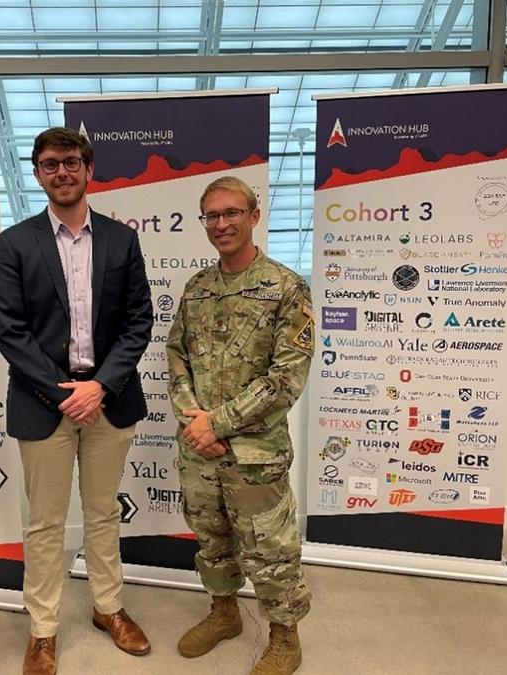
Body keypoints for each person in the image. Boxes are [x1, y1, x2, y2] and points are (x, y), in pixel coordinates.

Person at [0, 127, 154, 675]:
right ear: (37, 173)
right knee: (45, 522)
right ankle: (42, 630)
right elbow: (9, 331)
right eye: (49, 164)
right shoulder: (15, 242)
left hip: (108, 398)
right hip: (46, 402)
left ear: (89, 168)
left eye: (71, 162)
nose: (61, 172)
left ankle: (109, 608)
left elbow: (139, 322)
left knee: (104, 513)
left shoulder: (120, 240)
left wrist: (100, 386)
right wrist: (65, 392)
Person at [167, 176, 314, 675]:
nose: (222, 224)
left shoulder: (287, 288)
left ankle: (284, 635)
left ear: (254, 216)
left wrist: (219, 424)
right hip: (200, 449)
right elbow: (176, 355)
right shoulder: (198, 288)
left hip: (255, 451)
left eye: (232, 213)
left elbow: (287, 377)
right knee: (212, 537)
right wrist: (195, 421)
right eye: (212, 215)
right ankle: (224, 613)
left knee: (270, 547)